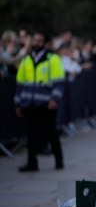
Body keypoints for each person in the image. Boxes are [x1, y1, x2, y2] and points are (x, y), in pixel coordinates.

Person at [14, 31, 65, 172]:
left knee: (51, 132)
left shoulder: (52, 59)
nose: (36, 43)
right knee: (31, 134)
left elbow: (59, 82)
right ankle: (32, 162)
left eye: (39, 41)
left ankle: (59, 159)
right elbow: (20, 83)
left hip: (46, 104)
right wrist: (17, 103)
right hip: (29, 103)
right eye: (34, 40)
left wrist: (55, 99)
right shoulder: (26, 59)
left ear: (45, 43)